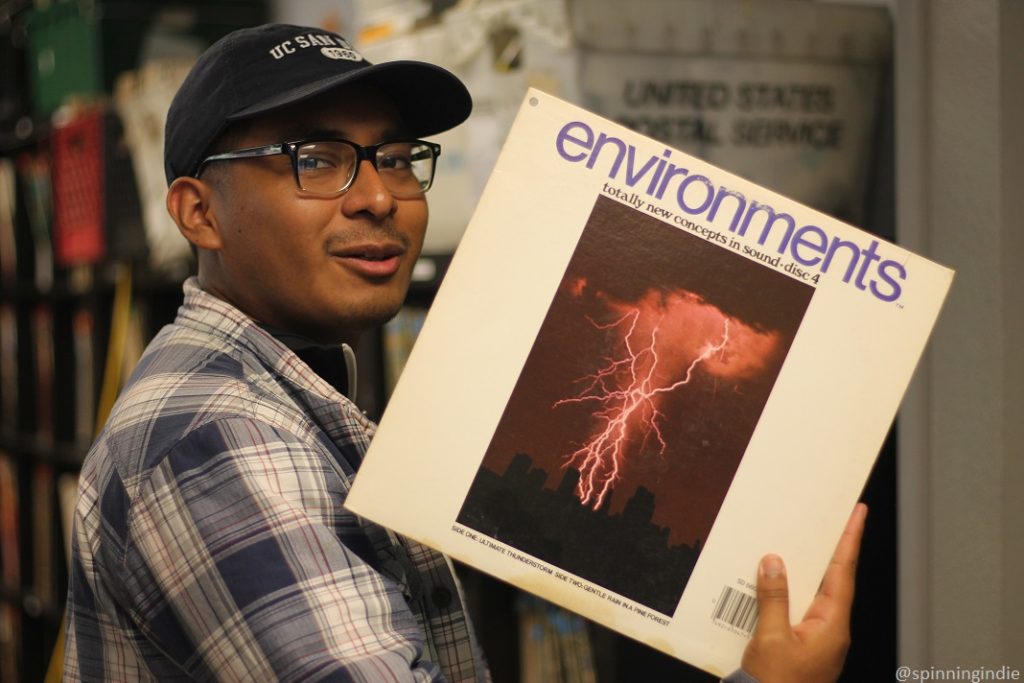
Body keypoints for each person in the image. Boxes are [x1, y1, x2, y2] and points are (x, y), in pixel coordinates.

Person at [62, 22, 865, 682]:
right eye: (318, 159)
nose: (381, 196)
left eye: (399, 157)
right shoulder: (217, 437)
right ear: (198, 213)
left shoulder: (287, 388)